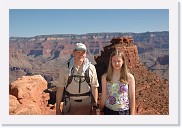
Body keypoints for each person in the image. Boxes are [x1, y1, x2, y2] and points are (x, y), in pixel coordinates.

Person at [56, 43, 99, 115]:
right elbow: (60, 89)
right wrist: (57, 108)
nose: (81, 55)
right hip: (70, 103)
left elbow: (94, 87)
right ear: (73, 53)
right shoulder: (65, 68)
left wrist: (95, 106)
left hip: (86, 104)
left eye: (83, 52)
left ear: (85, 54)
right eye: (78, 52)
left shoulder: (91, 68)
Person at [99, 50, 135, 115]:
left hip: (124, 112)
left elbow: (132, 97)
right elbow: (104, 95)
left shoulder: (129, 77)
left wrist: (132, 114)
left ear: (123, 62)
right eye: (114, 61)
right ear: (111, 62)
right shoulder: (105, 77)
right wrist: (101, 110)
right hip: (109, 111)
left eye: (119, 61)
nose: (116, 63)